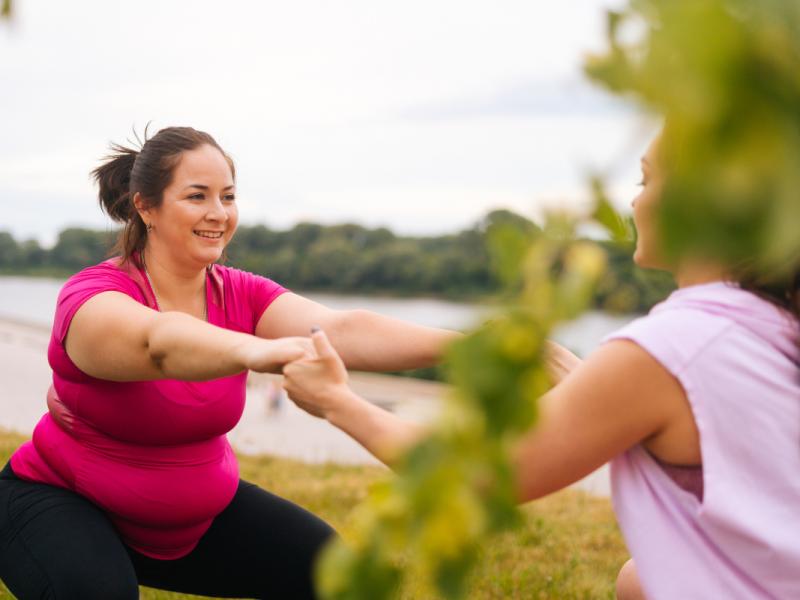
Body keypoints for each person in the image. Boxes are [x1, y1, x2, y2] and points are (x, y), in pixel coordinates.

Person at [282, 135, 800, 599]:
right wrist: (559, 359)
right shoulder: (769, 321)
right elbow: (659, 408)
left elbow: (477, 477)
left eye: (646, 179)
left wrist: (337, 401)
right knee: (636, 582)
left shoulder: (668, 348)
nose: (634, 199)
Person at [0, 126, 462, 599]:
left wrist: (469, 347)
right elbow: (158, 342)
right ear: (145, 206)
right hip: (58, 503)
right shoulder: (93, 296)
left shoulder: (241, 292)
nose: (218, 214)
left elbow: (340, 330)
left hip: (191, 527)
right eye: (197, 196)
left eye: (228, 196)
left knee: (332, 572)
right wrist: (254, 349)